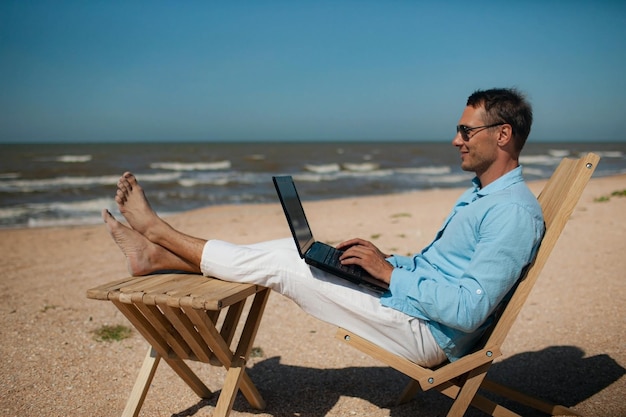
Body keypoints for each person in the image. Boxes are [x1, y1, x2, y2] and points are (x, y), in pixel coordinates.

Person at [103, 87, 544, 368]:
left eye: (466, 131)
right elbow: (448, 272)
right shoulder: (483, 195)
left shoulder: (511, 213)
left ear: (502, 135)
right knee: (289, 248)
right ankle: (157, 256)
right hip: (411, 305)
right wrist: (389, 262)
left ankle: (159, 235)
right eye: (458, 130)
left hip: (425, 334)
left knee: (283, 265)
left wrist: (390, 275)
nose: (456, 140)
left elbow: (469, 310)